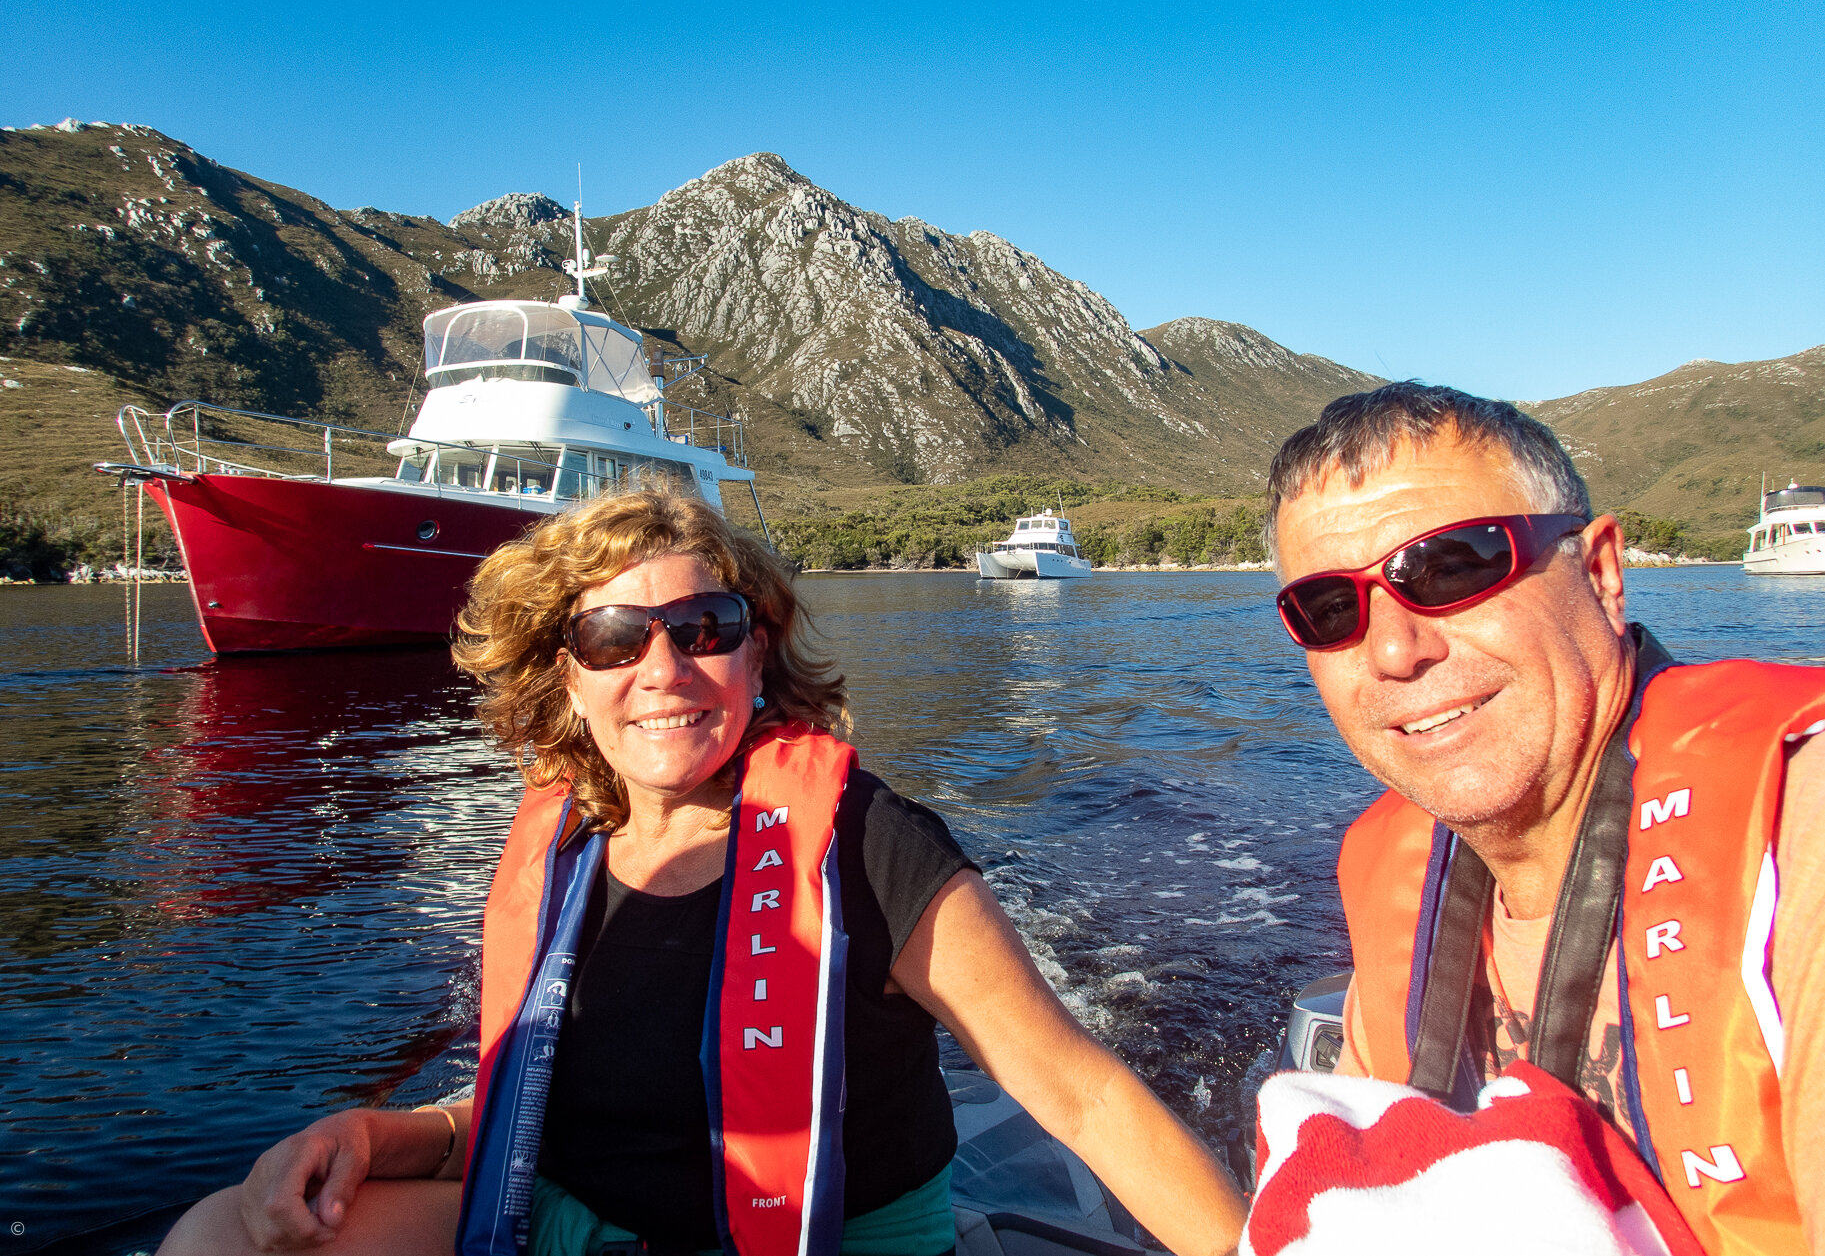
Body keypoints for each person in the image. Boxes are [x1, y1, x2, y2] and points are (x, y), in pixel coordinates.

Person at [161, 491, 1245, 1256]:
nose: (664, 672)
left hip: (826, 1239)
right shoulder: (564, 854)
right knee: (214, 1233)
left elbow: (1081, 1094)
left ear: (757, 653)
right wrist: (371, 1133)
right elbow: (539, 1115)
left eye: (703, 628)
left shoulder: (867, 847)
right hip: (572, 1228)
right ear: (565, 678)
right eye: (615, 638)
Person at [1265, 382, 1825, 1254]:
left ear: (1599, 572)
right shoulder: (1383, 865)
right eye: (1330, 610)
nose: (1392, 650)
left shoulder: (1800, 822)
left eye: (1451, 567)